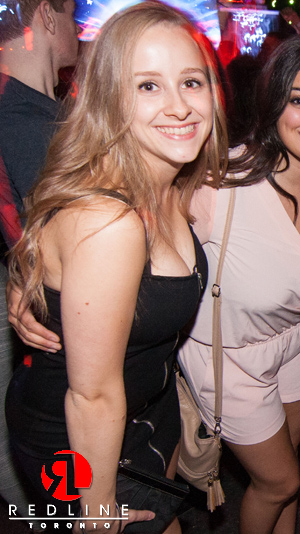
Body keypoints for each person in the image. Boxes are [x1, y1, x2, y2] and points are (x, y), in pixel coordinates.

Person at [4, 2, 227, 533]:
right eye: (148, 86)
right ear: (108, 98)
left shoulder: (169, 181)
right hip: (80, 443)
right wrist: (98, 509)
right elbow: (91, 394)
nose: (179, 106)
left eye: (191, 82)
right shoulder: (110, 220)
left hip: (143, 410)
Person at [179, 34, 300, 534]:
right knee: (279, 482)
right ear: (273, 103)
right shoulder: (219, 183)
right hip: (228, 357)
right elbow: (128, 221)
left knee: (288, 467)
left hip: (298, 340)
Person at [0, 0, 79, 511]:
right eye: (72, 14)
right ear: (48, 16)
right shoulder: (29, 126)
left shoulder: (34, 109)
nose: (78, 28)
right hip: (64, 374)